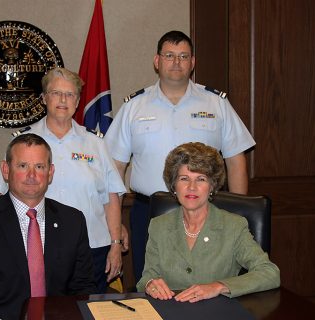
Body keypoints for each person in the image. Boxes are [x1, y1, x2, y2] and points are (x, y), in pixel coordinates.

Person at [104, 30, 256, 282]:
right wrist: (116, 223)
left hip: (207, 210)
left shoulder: (216, 104)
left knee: (207, 282)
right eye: (170, 56)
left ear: (193, 62)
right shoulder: (134, 107)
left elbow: (236, 160)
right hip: (149, 210)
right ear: (157, 61)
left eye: (183, 56)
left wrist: (237, 213)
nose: (177, 62)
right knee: (151, 284)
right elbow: (115, 167)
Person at [0, 67, 127, 293]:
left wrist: (115, 245)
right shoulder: (24, 142)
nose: (63, 100)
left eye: (70, 94)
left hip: (93, 248)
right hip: (37, 248)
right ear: (44, 98)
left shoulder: (96, 143)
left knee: (88, 311)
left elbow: (110, 197)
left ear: (78, 101)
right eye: (56, 93)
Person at [0, 134, 97, 320]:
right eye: (23, 166)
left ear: (50, 172)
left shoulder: (73, 221)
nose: (32, 175)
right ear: (6, 170)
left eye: (39, 167)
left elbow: (83, 287)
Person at [137, 142, 280, 301]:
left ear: (212, 186)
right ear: (174, 186)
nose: (192, 187)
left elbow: (269, 272)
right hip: (171, 311)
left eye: (201, 179)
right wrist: (150, 284)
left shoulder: (233, 226)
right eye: (184, 178)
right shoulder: (159, 226)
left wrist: (219, 286)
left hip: (217, 312)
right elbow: (148, 276)